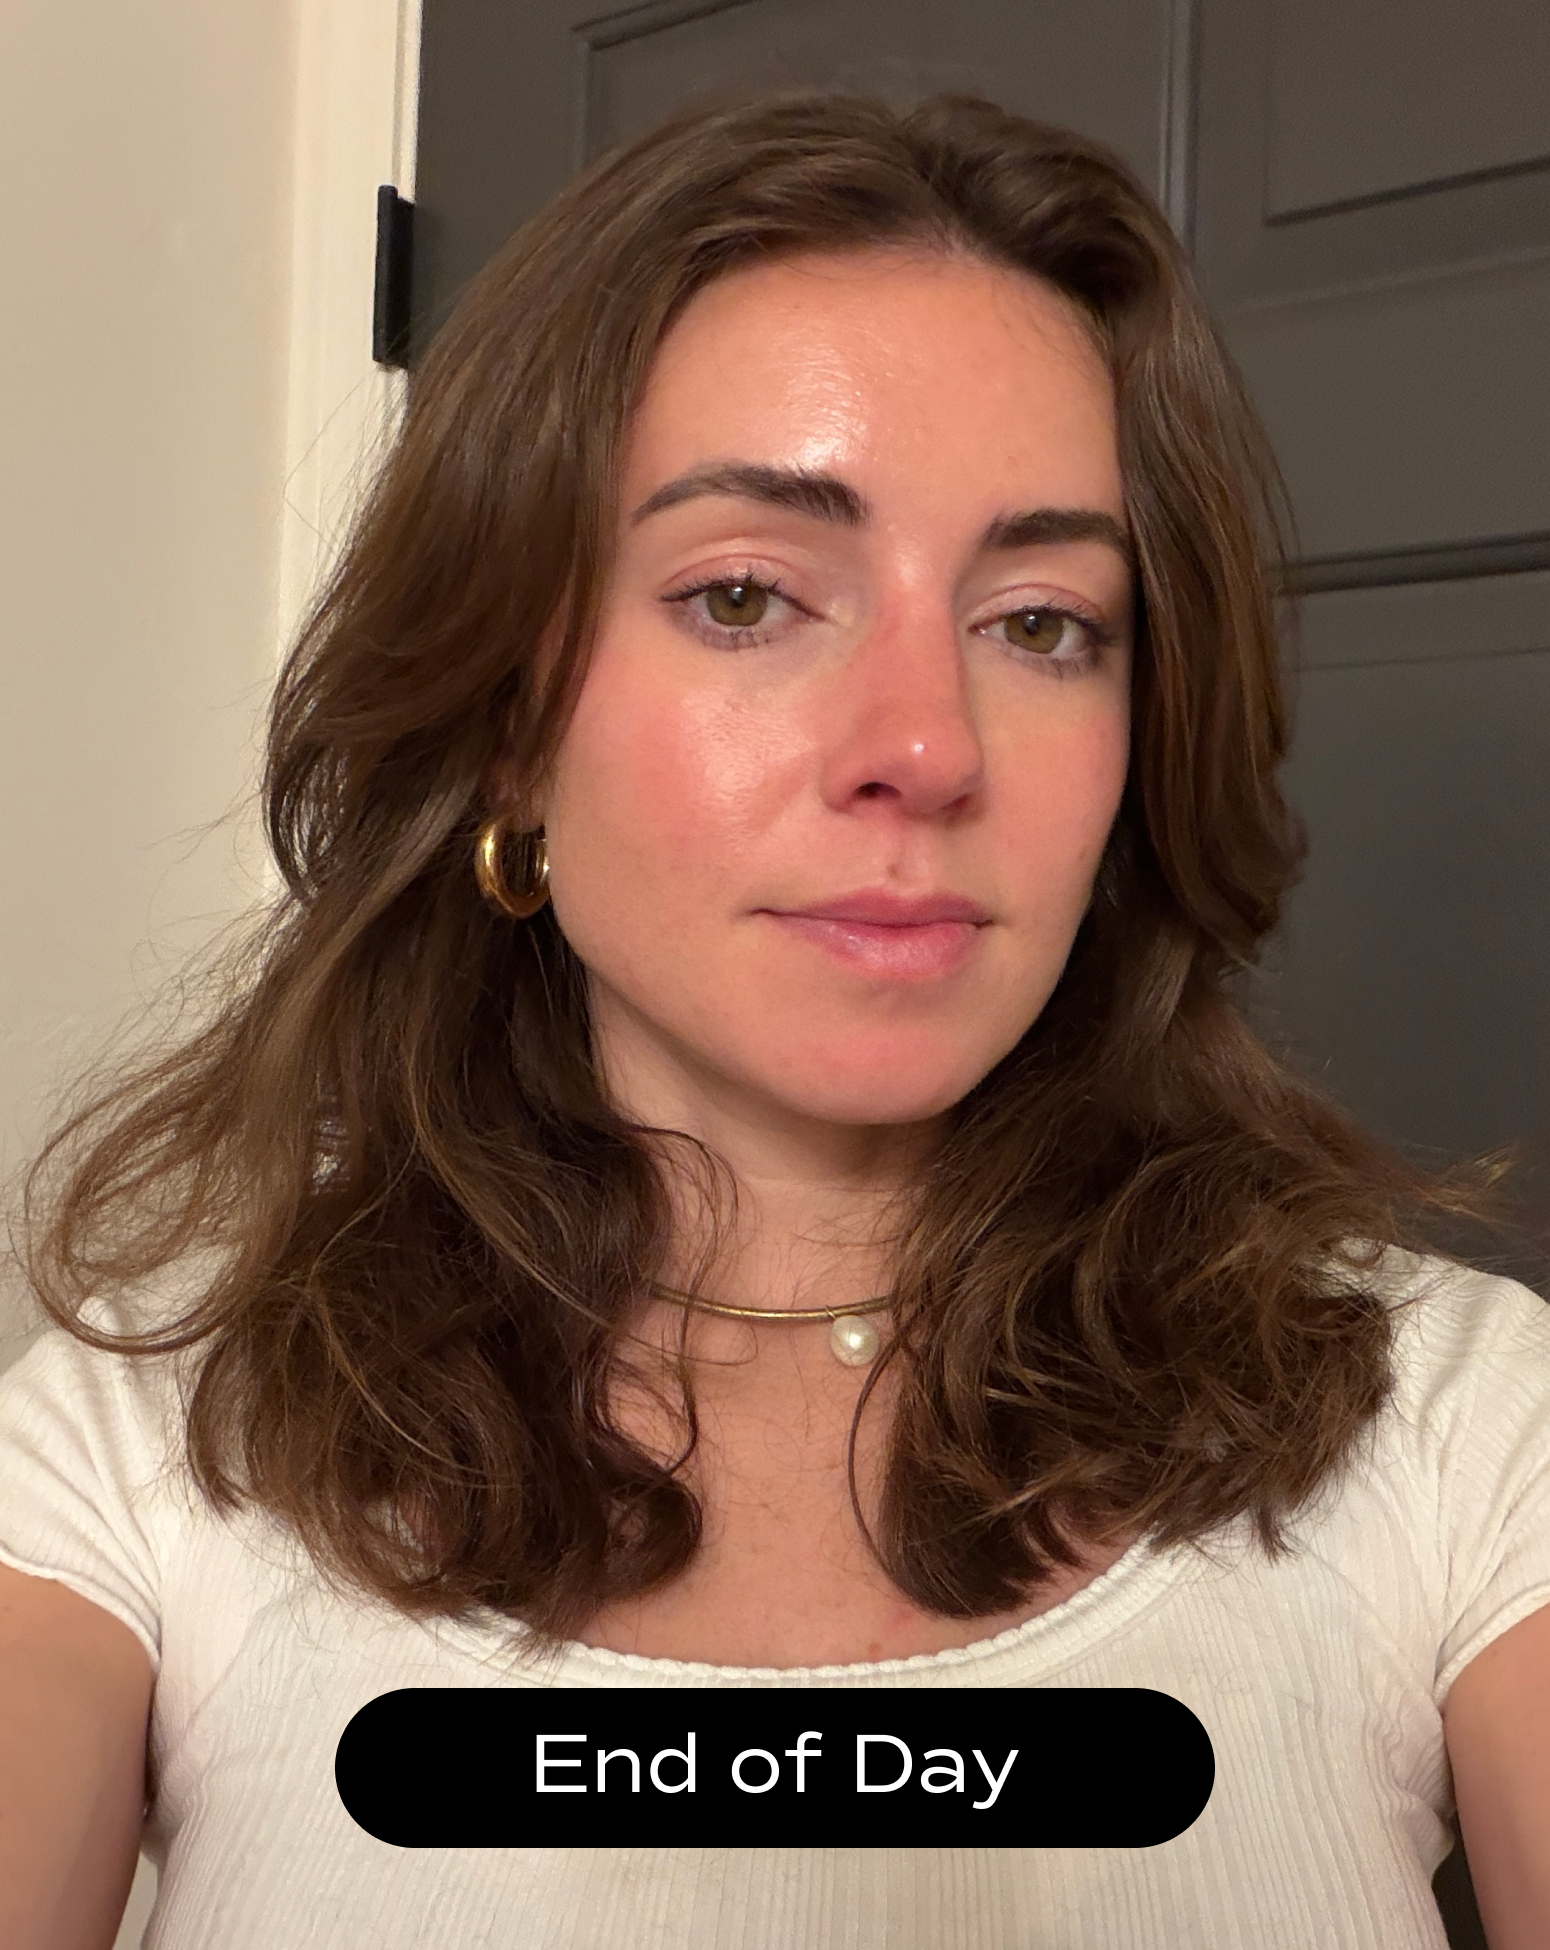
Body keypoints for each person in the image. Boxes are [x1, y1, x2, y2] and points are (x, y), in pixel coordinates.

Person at [1, 90, 1546, 1950]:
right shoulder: (138, 1452)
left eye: (1041, 623)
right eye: (744, 596)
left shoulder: (1455, 1422)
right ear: (510, 722)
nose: (927, 747)